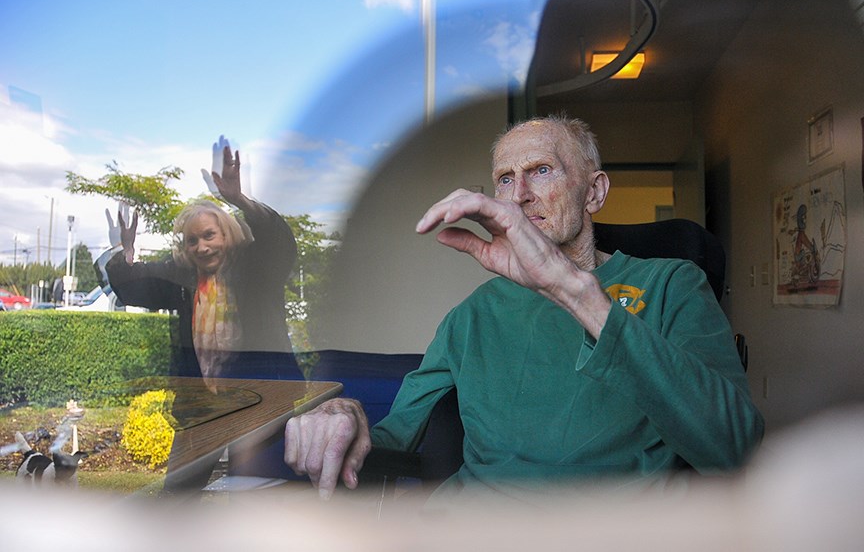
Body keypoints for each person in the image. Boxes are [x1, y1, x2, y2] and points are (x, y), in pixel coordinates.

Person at [283, 115, 764, 504]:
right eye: (505, 179)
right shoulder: (469, 317)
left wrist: (575, 291)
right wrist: (343, 419)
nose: (519, 195)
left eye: (541, 170)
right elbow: (393, 437)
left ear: (594, 192)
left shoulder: (671, 284)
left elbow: (735, 447)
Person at [105, 136, 299, 492]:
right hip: (201, 407)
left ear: (227, 233)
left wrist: (237, 198)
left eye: (209, 235)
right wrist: (126, 249)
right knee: (177, 496)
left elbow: (280, 240)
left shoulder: (258, 267)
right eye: (192, 240)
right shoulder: (182, 277)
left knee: (262, 497)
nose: (201, 246)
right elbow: (132, 286)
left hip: (262, 400)